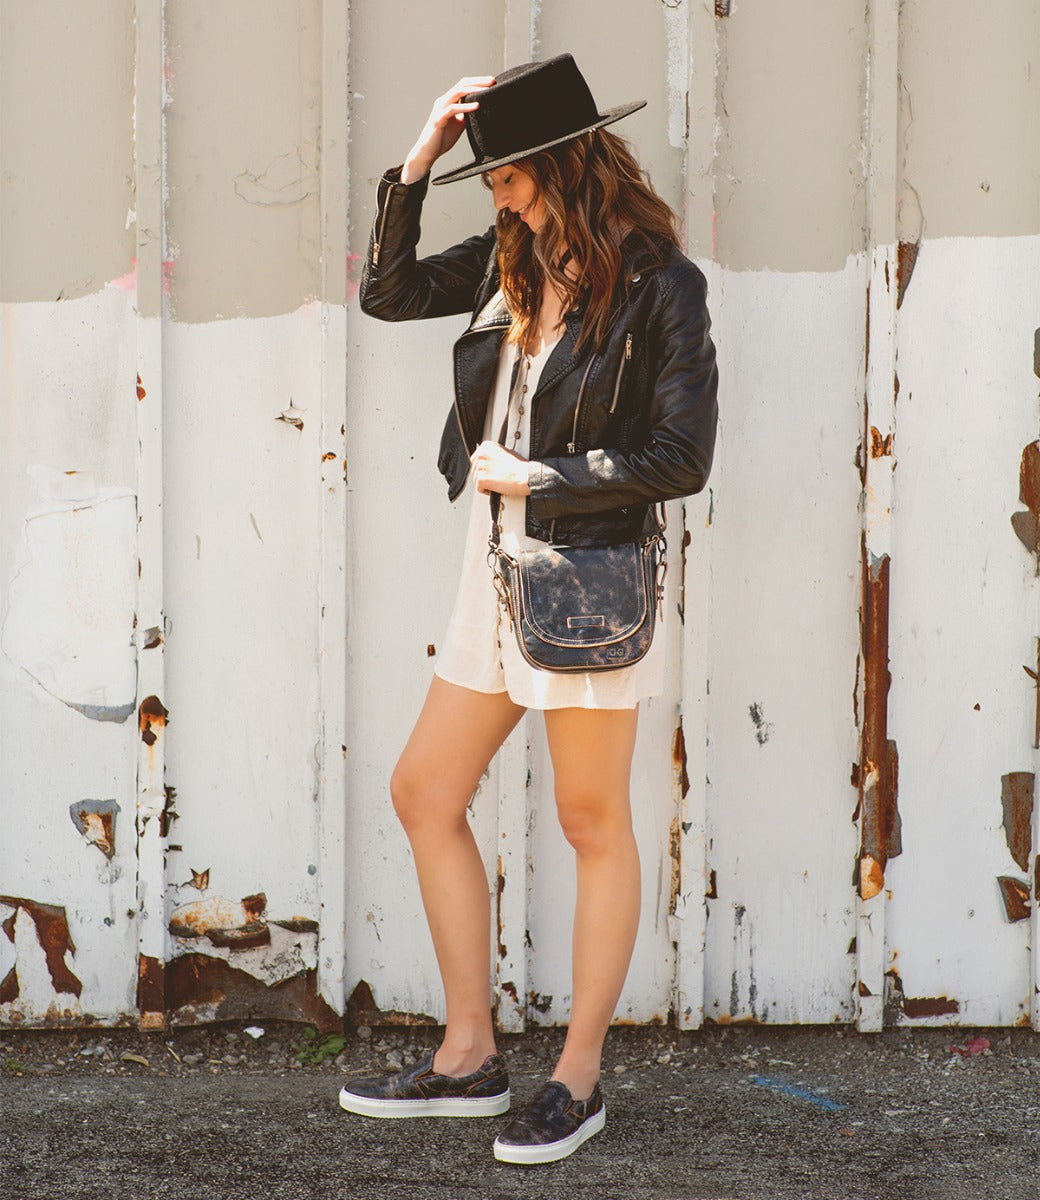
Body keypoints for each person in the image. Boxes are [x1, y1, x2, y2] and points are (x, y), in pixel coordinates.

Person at [337, 54, 718, 1165]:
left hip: (584, 573)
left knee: (590, 823)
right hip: (489, 571)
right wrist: (413, 164)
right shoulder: (509, 259)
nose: (494, 192)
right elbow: (386, 290)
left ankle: (577, 1075)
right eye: (484, 176)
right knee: (425, 790)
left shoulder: (658, 284)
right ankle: (467, 1055)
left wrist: (544, 478)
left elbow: (680, 456)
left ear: (560, 164)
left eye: (504, 174)